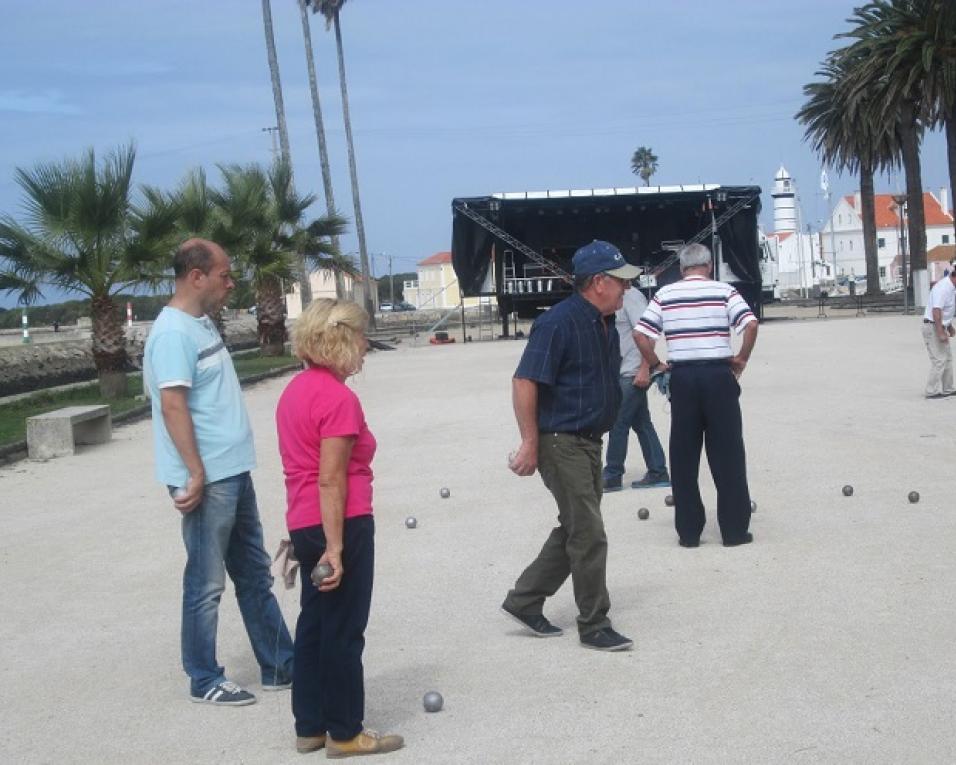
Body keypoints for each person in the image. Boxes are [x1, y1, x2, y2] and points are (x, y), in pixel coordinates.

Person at [144, 238, 294, 706]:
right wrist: (193, 473)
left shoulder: (201, 323)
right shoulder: (173, 334)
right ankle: (204, 676)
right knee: (206, 582)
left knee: (253, 573)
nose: (231, 283)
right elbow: (172, 405)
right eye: (224, 275)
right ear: (196, 276)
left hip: (232, 471)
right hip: (208, 478)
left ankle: (280, 664)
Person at [275, 298, 403, 758]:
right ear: (343, 341)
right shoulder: (337, 398)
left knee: (314, 624)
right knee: (344, 629)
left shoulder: (295, 391)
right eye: (362, 337)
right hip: (340, 524)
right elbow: (330, 478)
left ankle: (310, 725)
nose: (367, 347)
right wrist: (336, 547)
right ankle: (346, 731)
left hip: (305, 522)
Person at [502, 240, 638, 653]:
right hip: (560, 441)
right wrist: (529, 443)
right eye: (620, 281)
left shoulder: (606, 321)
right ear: (598, 283)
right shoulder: (557, 324)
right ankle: (594, 624)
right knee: (590, 533)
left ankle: (524, 599)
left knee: (577, 527)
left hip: (589, 441)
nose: (626, 289)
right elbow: (525, 380)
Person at [634, 243, 758, 548]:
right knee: (728, 454)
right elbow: (750, 323)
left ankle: (689, 533)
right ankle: (734, 531)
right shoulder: (724, 291)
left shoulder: (665, 295)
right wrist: (741, 358)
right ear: (709, 266)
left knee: (684, 455)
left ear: (681, 267)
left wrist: (655, 364)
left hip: (684, 378)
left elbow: (640, 334)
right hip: (718, 376)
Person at [602, 282, 669, 492]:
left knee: (617, 422)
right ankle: (658, 471)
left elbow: (648, 335)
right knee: (641, 423)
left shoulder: (632, 298)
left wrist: (644, 368)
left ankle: (612, 475)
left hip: (632, 372)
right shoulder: (615, 296)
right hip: (623, 371)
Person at [921, 268, 956, 398]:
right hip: (932, 327)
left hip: (940, 325)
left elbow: (946, 310)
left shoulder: (952, 287)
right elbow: (936, 311)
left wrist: (949, 326)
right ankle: (931, 391)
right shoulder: (943, 288)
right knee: (939, 360)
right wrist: (941, 332)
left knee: (948, 358)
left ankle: (948, 388)